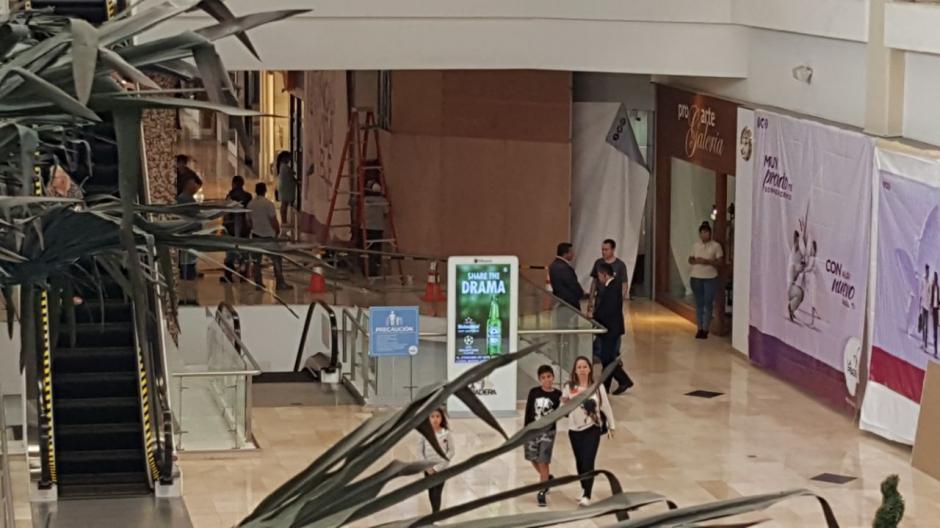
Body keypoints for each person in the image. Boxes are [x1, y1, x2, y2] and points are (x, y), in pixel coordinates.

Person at [562, 356, 614, 507]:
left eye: (585, 366)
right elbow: (563, 406)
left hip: (592, 429)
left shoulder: (597, 387)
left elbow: (605, 407)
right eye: (579, 367)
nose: (582, 370)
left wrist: (612, 425)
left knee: (588, 460)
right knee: (579, 462)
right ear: (575, 370)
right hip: (574, 429)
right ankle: (584, 487)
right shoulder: (569, 387)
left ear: (590, 369)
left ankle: (587, 494)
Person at [592, 262, 634, 394]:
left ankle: (624, 381)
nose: (598, 279)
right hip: (610, 327)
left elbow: (607, 309)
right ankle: (606, 385)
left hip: (611, 328)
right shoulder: (612, 285)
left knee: (608, 358)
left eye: (599, 275)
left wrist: (595, 317)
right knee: (607, 358)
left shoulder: (612, 287)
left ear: (604, 274)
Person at [524, 365, 562, 507]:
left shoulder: (557, 395)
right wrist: (526, 430)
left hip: (548, 432)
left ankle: (542, 490)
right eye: (543, 377)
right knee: (532, 457)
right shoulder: (534, 392)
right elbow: (529, 411)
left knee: (543, 460)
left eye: (549, 376)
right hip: (533, 430)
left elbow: (563, 412)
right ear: (539, 379)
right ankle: (547, 478)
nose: (546, 380)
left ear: (553, 377)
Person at [247, 182, 289, 291]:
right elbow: (273, 220)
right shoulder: (268, 204)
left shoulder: (250, 204)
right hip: (269, 236)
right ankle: (280, 283)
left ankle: (259, 284)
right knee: (276, 260)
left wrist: (254, 228)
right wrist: (277, 230)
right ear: (265, 191)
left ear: (256, 191)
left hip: (256, 236)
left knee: (257, 262)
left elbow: (248, 222)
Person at [688, 222, 723, 339]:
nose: (704, 235)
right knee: (699, 303)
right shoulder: (695, 245)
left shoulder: (716, 246)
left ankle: (706, 328)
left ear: (710, 233)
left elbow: (720, 262)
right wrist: (696, 260)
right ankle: (699, 328)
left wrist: (707, 262)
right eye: (702, 233)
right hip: (696, 277)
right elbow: (690, 259)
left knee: (708, 304)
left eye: (706, 232)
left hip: (710, 278)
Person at [419, 408, 455, 513]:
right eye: (432, 416)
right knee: (431, 491)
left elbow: (451, 452)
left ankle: (435, 514)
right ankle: (434, 512)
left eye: (438, 416)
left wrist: (437, 468)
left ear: (442, 418)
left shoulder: (446, 434)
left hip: (441, 469)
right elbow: (420, 452)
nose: (435, 419)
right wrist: (427, 467)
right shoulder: (424, 434)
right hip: (427, 469)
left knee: (437, 492)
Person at [221, 175, 253, 283]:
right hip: (244, 227)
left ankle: (228, 276)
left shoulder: (230, 196)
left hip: (230, 227)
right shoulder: (248, 196)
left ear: (233, 184)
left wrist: (223, 226)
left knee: (230, 253)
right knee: (244, 252)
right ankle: (244, 275)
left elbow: (226, 213)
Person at [177, 175, 203, 305]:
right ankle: (187, 298)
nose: (197, 188)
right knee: (187, 271)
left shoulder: (189, 200)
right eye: (195, 184)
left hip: (190, 243)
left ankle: (189, 297)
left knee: (189, 269)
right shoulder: (185, 201)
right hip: (186, 243)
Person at [588, 239, 629, 316]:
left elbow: (624, 284)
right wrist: (591, 300)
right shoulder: (598, 263)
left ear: (613, 250)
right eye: (602, 249)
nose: (603, 252)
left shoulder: (620, 265)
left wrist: (620, 300)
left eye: (606, 250)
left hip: (613, 300)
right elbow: (594, 282)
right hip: (600, 299)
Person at [364, 181, 389, 276]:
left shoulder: (365, 200)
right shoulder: (382, 201)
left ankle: (366, 270)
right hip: (378, 228)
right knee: (376, 250)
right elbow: (386, 213)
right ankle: (375, 270)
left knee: (365, 251)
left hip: (366, 229)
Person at [549, 243, 584, 310]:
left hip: (559, 302)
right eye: (571, 252)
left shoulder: (553, 265)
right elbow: (572, 285)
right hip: (569, 304)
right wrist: (581, 294)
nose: (573, 254)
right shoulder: (564, 268)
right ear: (565, 254)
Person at [787, 230, 805, 322]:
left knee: (801, 293)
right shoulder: (794, 254)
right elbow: (798, 269)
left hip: (790, 285)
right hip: (788, 287)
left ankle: (792, 309)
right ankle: (791, 307)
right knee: (800, 293)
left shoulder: (795, 257)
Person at [276, 151, 297, 227]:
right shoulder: (284, 167)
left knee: (284, 205)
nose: (290, 159)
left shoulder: (282, 166)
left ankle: (284, 221)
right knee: (284, 205)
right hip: (285, 188)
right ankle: (283, 221)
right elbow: (291, 175)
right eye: (289, 157)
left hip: (284, 187)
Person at [932, 272, 940, 358]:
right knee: (935, 333)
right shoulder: (934, 287)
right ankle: (935, 351)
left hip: (938, 312)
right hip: (935, 312)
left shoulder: (938, 288)